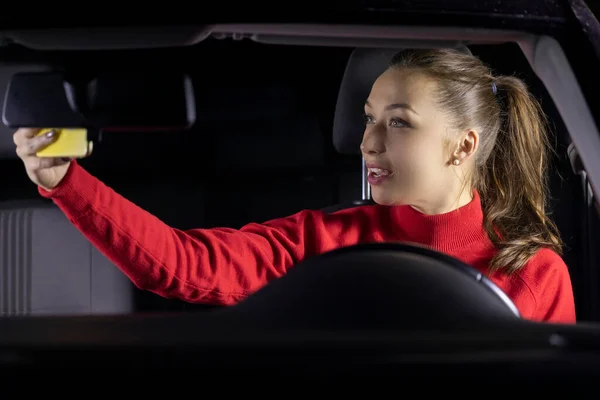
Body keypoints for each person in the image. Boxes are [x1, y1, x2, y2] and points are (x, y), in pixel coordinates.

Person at [13, 48, 576, 324]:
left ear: (464, 145)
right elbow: (186, 265)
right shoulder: (323, 240)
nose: (368, 142)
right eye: (369, 118)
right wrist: (67, 183)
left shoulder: (533, 274)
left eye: (399, 122)